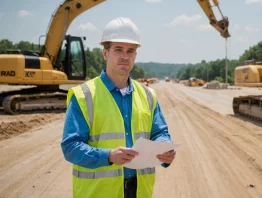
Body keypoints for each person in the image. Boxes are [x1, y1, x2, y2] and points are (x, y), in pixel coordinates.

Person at [61, 17, 176, 198]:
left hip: (139, 191)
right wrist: (108, 156)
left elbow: (160, 132)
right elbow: (70, 147)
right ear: (105, 54)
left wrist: (164, 147)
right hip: (99, 192)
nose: (125, 56)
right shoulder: (84, 96)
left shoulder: (148, 95)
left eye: (130, 51)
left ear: (135, 56)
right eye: (118, 49)